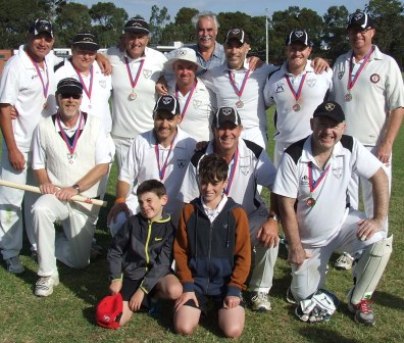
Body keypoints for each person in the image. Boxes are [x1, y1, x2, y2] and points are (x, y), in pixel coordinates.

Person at [273, 101, 392, 325]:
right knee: (301, 296)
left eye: (334, 125)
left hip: (342, 226)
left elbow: (380, 176)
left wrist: (378, 219)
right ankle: (307, 277)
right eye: (322, 124)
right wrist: (295, 246)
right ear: (312, 124)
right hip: (308, 242)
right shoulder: (294, 155)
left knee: (380, 242)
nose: (328, 131)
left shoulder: (349, 145)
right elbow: (285, 205)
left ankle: (358, 299)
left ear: (343, 127)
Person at [178, 106, 278, 312]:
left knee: (269, 235)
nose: (227, 133)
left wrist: (273, 219)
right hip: (211, 220)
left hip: (249, 217)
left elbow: (278, 185)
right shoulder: (200, 157)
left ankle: (260, 290)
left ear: (240, 129)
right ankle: (203, 282)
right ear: (214, 130)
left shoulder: (254, 152)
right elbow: (187, 200)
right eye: (221, 127)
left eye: (231, 127)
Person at [329, 10, 404, 270]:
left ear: (372, 31)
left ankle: (376, 249)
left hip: (375, 145)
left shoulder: (387, 63)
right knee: (346, 201)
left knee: (376, 200)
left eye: (363, 30)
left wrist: (387, 143)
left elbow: (397, 108)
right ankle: (350, 249)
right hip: (343, 145)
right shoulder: (339, 62)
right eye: (353, 30)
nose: (358, 35)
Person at [31, 78, 113, 297]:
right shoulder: (43, 126)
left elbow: (103, 166)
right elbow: (38, 165)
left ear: (81, 99)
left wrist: (76, 189)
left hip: (83, 197)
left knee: (79, 262)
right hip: (57, 194)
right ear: (57, 98)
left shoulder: (95, 124)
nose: (70, 100)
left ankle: (48, 243)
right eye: (65, 95)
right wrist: (45, 183)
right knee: (40, 209)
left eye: (75, 96)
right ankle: (47, 274)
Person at [0, 19, 57, 273]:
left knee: (37, 198)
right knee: (11, 198)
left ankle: (35, 245)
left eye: (47, 38)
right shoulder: (16, 64)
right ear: (28, 37)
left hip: (40, 146)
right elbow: (4, 107)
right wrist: (12, 148)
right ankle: (9, 251)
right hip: (20, 144)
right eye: (38, 37)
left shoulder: (50, 61)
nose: (42, 42)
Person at [174, 154, 251, 338]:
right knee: (183, 327)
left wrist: (234, 289)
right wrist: (187, 285)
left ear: (225, 182)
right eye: (204, 182)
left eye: (215, 183)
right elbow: (180, 251)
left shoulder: (237, 213)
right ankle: (200, 307)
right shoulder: (189, 210)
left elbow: (244, 255)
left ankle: (221, 308)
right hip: (196, 284)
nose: (208, 188)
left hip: (225, 285)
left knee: (232, 331)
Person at [107, 95, 196, 236]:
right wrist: (119, 200)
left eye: (170, 118)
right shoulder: (140, 140)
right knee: (118, 220)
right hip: (143, 203)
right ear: (154, 117)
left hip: (174, 207)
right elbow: (125, 176)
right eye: (160, 117)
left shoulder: (190, 144)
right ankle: (125, 256)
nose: (164, 124)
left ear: (179, 118)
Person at [107, 179, 182, 327]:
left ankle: (152, 299)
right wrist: (115, 278)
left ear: (163, 200)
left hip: (157, 276)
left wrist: (142, 290)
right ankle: (141, 301)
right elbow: (114, 251)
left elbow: (163, 263)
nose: (145, 206)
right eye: (141, 202)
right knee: (116, 320)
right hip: (132, 275)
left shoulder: (170, 227)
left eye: (149, 200)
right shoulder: (132, 223)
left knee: (175, 290)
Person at [264, 29, 333, 166]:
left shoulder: (323, 73)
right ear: (286, 49)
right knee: (281, 187)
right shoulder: (273, 78)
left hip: (313, 144)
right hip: (283, 147)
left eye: (301, 48)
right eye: (293, 48)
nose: (297, 53)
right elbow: (266, 103)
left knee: (312, 187)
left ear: (309, 51)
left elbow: (337, 100)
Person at [107, 16, 167, 171]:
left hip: (148, 136)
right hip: (119, 139)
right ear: (124, 37)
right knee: (124, 188)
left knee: (148, 188)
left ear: (147, 39)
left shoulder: (159, 60)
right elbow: (92, 55)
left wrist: (162, 80)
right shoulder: (112, 55)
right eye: (132, 37)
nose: (136, 42)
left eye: (140, 37)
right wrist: (99, 56)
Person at [54, 32, 112, 133]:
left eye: (91, 53)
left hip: (104, 137)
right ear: (72, 50)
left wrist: (98, 56)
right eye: (82, 52)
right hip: (74, 138)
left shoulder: (104, 69)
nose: (86, 56)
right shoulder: (58, 72)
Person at [164, 47, 214, 141]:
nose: (184, 72)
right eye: (180, 67)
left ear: (195, 68)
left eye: (189, 67)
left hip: (200, 151)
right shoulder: (165, 89)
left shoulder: (208, 91)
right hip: (172, 151)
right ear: (174, 68)